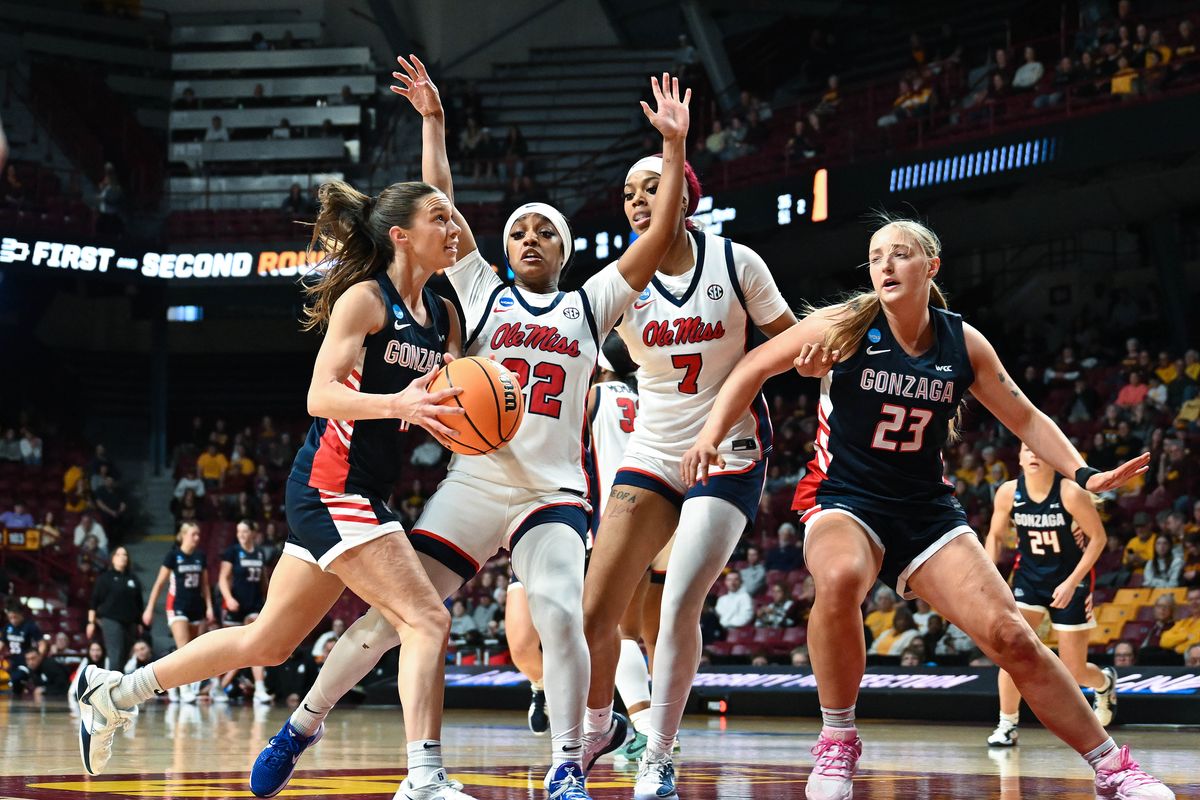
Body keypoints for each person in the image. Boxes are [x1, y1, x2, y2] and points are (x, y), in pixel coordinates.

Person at [247, 56, 691, 800]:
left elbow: (654, 239)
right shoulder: (480, 292)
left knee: (558, 612)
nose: (526, 241)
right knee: (401, 618)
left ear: (566, 251)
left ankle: (567, 763)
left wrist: (673, 152)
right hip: (478, 480)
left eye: (543, 234)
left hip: (552, 492)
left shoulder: (593, 303)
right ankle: (304, 722)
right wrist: (434, 123)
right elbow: (440, 204)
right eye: (517, 232)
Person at [679, 214, 1173, 799]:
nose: (885, 264)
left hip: (925, 510)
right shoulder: (846, 324)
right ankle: (838, 738)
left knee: (1013, 637)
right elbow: (752, 366)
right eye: (875, 256)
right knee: (837, 578)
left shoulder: (961, 342)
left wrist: (1084, 474)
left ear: (930, 266)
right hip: (844, 497)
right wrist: (711, 432)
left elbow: (1025, 417)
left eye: (900, 253)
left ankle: (1112, 767)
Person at [73, 170, 469, 800]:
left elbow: (438, 405)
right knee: (426, 620)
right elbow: (319, 395)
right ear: (400, 235)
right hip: (331, 487)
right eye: (441, 219)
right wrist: (400, 403)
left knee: (269, 643)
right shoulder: (365, 300)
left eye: (452, 218)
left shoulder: (444, 313)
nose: (454, 229)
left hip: (363, 490)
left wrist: (435, 123)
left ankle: (115, 690)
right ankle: (423, 777)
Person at [582, 101, 797, 800]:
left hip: (729, 453)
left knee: (676, 605)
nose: (638, 201)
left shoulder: (739, 262)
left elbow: (791, 344)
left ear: (683, 193)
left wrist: (841, 353)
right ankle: (593, 731)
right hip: (652, 449)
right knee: (593, 615)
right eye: (628, 194)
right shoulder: (621, 285)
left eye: (652, 187)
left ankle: (661, 755)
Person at [984, 443, 1117, 746]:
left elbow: (1098, 538)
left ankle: (1105, 682)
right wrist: (990, 573)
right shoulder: (1007, 492)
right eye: (1027, 450)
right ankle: (1007, 724)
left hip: (1071, 578)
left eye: (1039, 450)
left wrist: (1071, 582)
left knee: (1073, 670)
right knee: (1011, 651)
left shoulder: (1070, 492)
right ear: (1019, 457)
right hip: (1029, 580)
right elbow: (994, 534)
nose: (1034, 454)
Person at [141, 523, 214, 704]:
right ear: (183, 536)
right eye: (193, 534)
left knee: (193, 650)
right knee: (184, 649)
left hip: (196, 606)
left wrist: (209, 607)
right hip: (177, 606)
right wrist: (149, 608)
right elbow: (159, 584)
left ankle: (175, 685)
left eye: (198, 534)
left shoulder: (200, 556)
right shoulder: (173, 556)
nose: (197, 537)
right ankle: (184, 687)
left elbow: (205, 585)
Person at [216, 520, 271, 704]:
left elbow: (263, 580)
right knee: (230, 648)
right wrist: (228, 598)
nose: (241, 534)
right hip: (235, 605)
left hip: (254, 605)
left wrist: (269, 599)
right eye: (238, 531)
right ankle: (218, 685)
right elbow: (223, 578)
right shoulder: (232, 552)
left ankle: (260, 688)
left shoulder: (259, 553)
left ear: (252, 533)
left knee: (257, 644)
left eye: (245, 531)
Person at [88, 546, 144, 673]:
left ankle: (119, 684)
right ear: (113, 558)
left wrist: (140, 622)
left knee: (126, 654)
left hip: (130, 622)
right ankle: (113, 688)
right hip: (111, 620)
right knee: (115, 654)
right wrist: (91, 622)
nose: (122, 557)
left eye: (125, 555)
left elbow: (139, 603)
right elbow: (94, 602)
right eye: (118, 554)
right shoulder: (105, 578)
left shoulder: (133, 579)